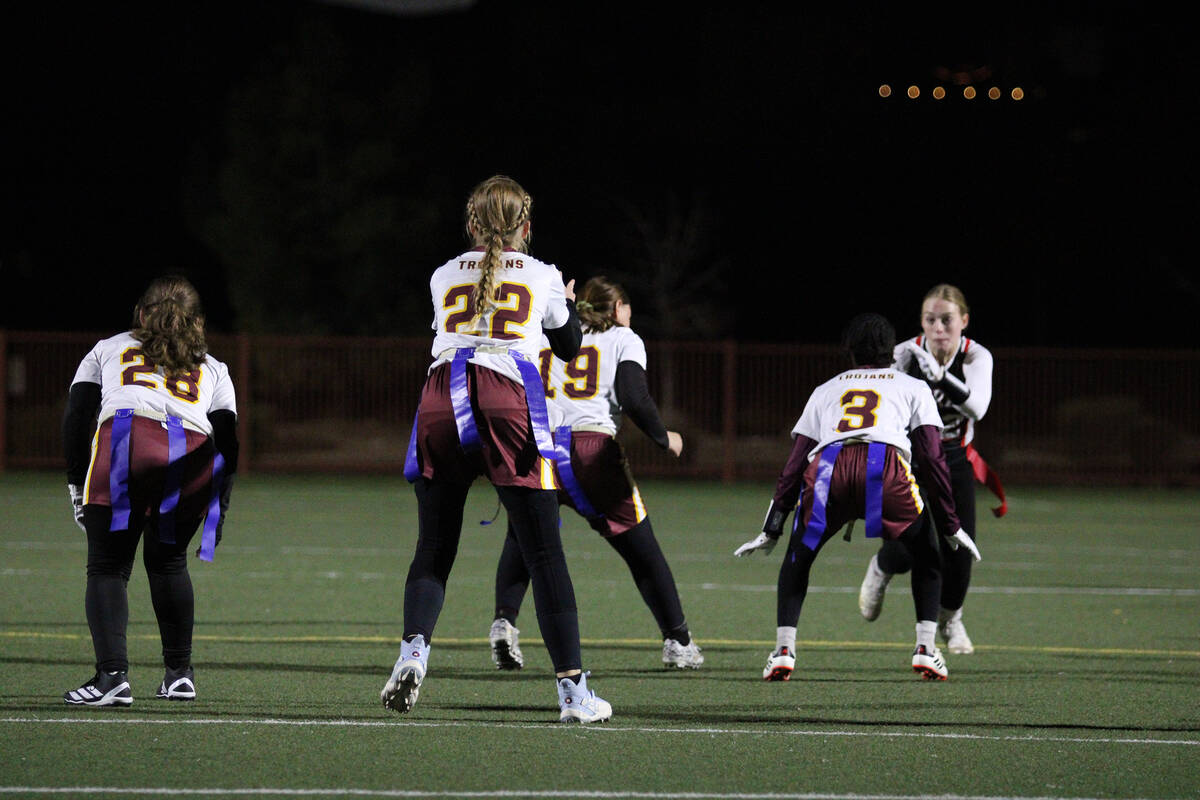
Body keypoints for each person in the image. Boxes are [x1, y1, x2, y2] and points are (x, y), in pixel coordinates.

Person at [381, 175, 611, 723]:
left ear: (471, 225)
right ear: (525, 227)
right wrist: (569, 304)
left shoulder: (442, 275)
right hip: (505, 397)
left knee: (434, 546)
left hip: (441, 398)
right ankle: (574, 693)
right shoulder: (543, 274)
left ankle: (413, 653)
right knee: (544, 552)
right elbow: (570, 346)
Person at [734, 313, 981, 681]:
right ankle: (926, 650)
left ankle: (784, 650)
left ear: (848, 351)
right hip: (885, 472)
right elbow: (932, 457)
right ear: (891, 352)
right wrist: (950, 523)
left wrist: (773, 526)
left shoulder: (826, 389)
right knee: (929, 554)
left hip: (829, 471)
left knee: (798, 559)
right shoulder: (913, 386)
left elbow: (794, 462)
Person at [487, 276, 702, 672]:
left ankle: (504, 623)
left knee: (522, 539)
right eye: (628, 307)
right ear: (618, 307)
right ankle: (678, 640)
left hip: (540, 447)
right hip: (591, 451)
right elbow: (634, 396)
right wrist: (663, 437)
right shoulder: (624, 338)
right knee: (643, 551)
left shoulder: (548, 332)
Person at [61, 275, 238, 707]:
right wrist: (219, 500)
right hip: (192, 453)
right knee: (169, 563)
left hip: (126, 440)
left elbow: (77, 414)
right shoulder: (214, 367)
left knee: (107, 567)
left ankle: (112, 677)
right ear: (195, 322)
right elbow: (229, 440)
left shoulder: (108, 347)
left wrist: (75, 480)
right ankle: (179, 674)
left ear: (142, 314)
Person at [857, 284, 1003, 654]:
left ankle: (950, 620)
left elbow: (978, 408)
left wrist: (940, 379)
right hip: (911, 459)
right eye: (930, 319)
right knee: (909, 545)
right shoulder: (904, 354)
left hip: (954, 458)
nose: (938, 328)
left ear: (964, 322)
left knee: (960, 551)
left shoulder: (975, 357)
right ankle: (882, 566)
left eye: (947, 320)